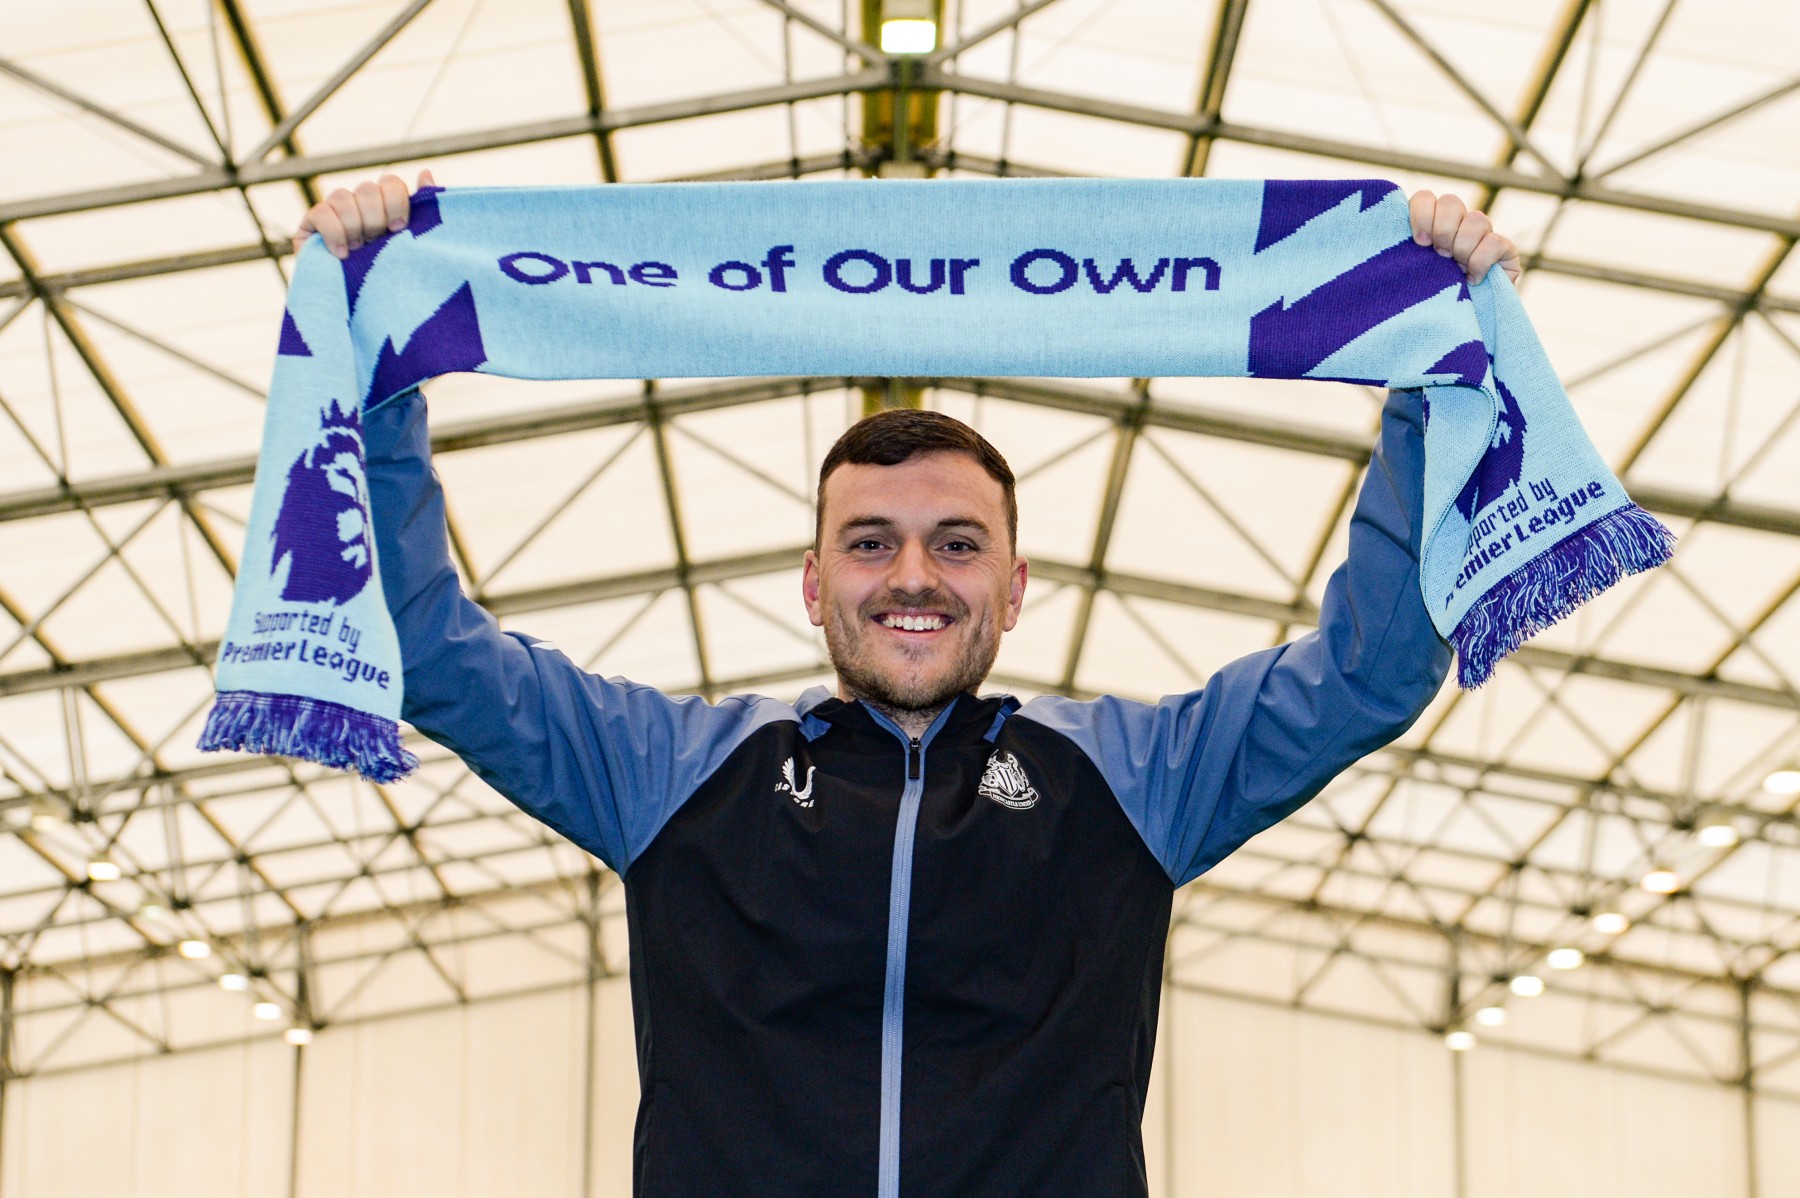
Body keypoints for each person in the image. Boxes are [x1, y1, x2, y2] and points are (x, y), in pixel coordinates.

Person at [300, 173, 1518, 1196]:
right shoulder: (665, 769)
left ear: (1016, 584)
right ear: (813, 582)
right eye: (871, 542)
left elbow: (1370, 672)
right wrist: (384, 373)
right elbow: (433, 653)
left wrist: (1426, 387)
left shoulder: (1142, 776)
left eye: (958, 542)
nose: (915, 577)